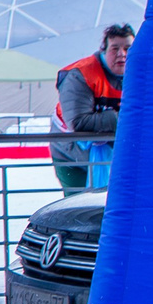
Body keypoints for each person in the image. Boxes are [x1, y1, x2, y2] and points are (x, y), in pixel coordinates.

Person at [54, 24, 132, 191]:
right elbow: (79, 122)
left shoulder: (140, 74)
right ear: (104, 50)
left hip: (117, 155)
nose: (122, 54)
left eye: (127, 48)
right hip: (72, 155)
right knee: (77, 208)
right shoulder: (81, 74)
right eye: (115, 48)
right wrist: (124, 118)